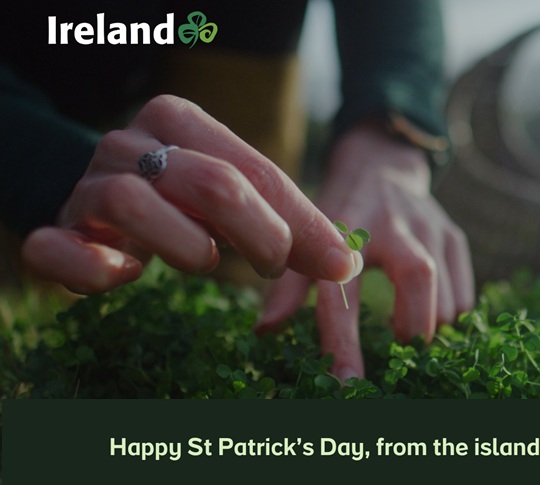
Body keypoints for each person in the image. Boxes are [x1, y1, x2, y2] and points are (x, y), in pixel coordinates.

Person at [0, 0, 474, 383]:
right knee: (62, 311)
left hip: (232, 39)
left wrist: (389, 132)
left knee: (245, 263)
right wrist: (46, 164)